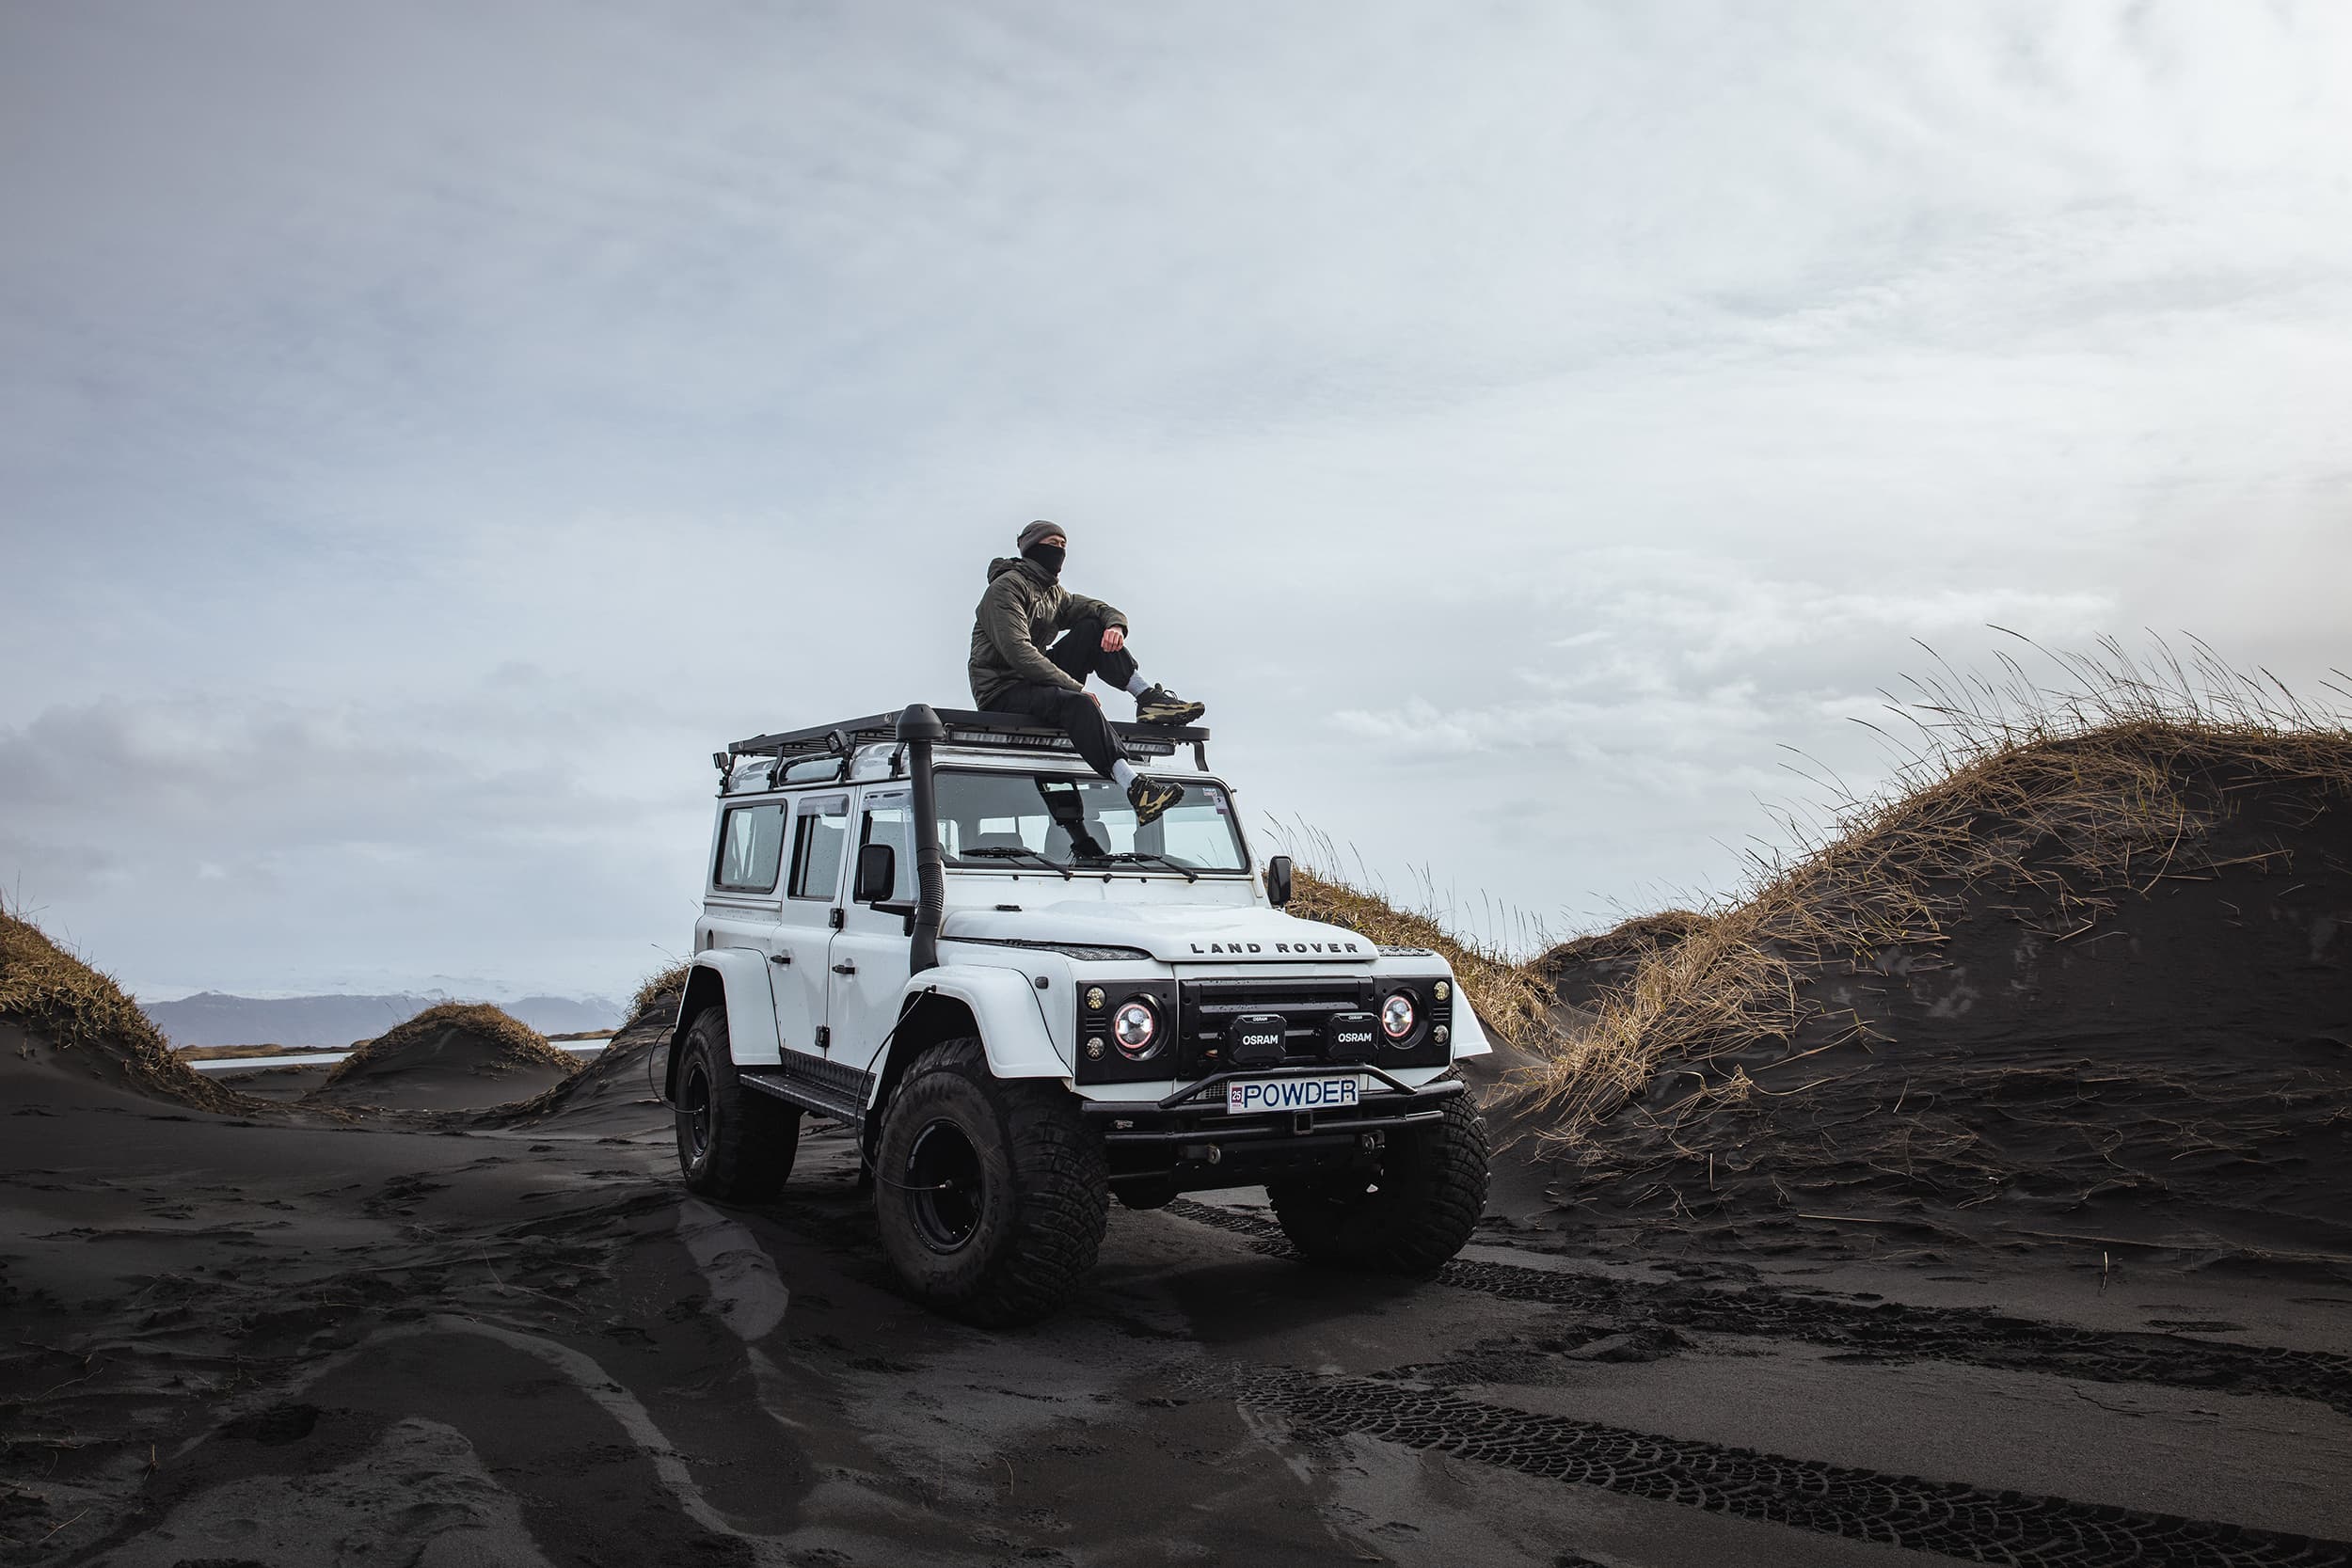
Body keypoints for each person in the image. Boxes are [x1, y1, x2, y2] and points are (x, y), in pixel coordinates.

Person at [967, 520, 1206, 826]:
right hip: (1002, 690)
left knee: (1094, 628)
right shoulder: (1005, 589)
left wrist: (1115, 626)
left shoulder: (1053, 594)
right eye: (1052, 544)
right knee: (1080, 705)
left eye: (1063, 545)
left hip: (1035, 683)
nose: (1059, 551)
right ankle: (1135, 787)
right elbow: (1020, 654)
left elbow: (1097, 608)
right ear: (1031, 548)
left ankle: (1148, 699)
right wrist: (1074, 689)